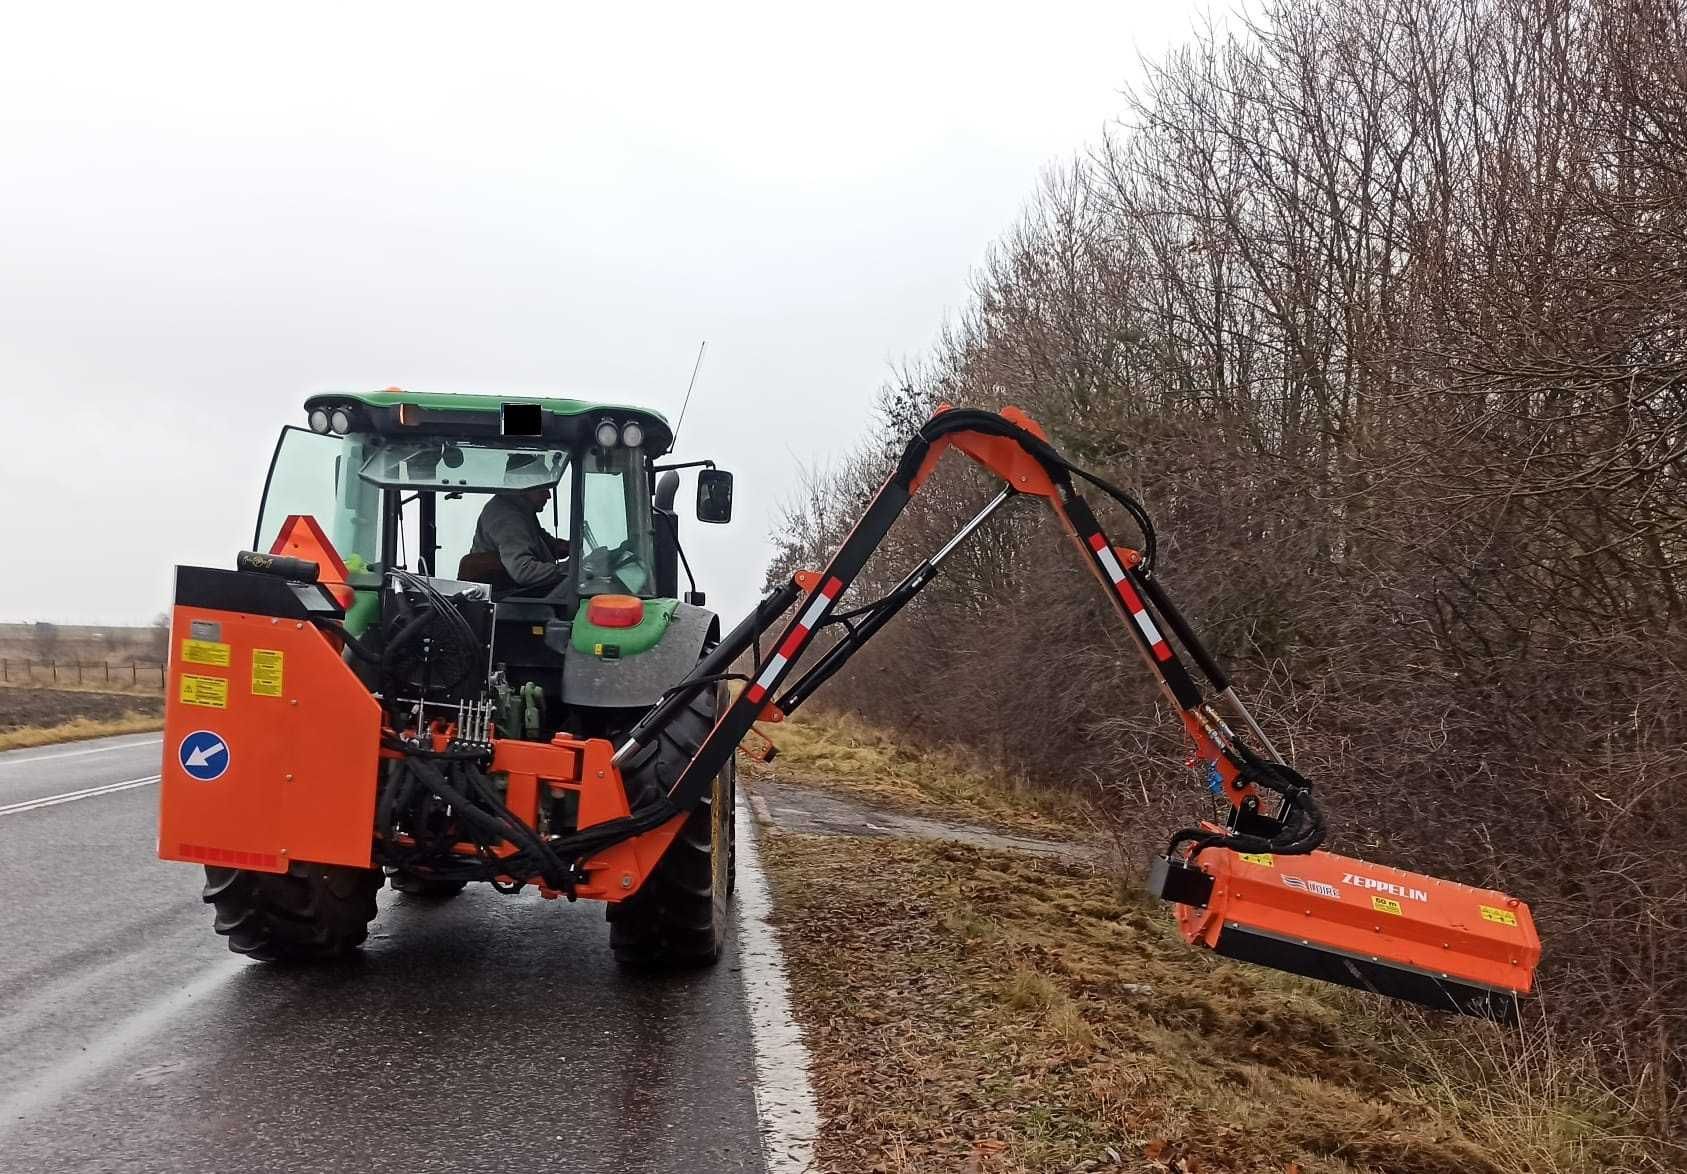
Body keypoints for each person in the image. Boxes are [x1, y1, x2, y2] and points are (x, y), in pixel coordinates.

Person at [468, 465, 568, 592]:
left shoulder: (522, 509)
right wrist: (570, 570)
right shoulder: (508, 517)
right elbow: (523, 571)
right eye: (542, 489)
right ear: (525, 487)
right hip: (507, 601)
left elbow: (543, 543)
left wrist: (571, 548)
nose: (548, 496)